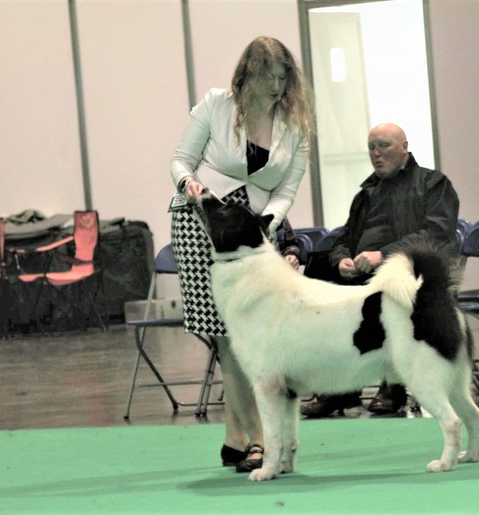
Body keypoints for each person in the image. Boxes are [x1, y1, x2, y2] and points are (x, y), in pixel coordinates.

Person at [170, 36, 313, 471]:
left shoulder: (295, 125)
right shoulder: (215, 105)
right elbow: (180, 160)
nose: (276, 86)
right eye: (268, 76)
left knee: (251, 337)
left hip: (257, 230)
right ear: (248, 73)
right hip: (201, 224)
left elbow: (286, 189)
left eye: (283, 77)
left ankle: (235, 438)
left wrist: (268, 223)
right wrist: (188, 184)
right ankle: (257, 440)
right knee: (230, 338)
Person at [300, 123, 460, 418]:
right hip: (363, 275)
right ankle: (337, 389)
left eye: (384, 145)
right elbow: (344, 238)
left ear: (405, 148)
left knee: (388, 288)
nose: (376, 153)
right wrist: (342, 260)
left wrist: (383, 256)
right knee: (319, 285)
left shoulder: (433, 183)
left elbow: (436, 234)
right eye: (372, 147)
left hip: (411, 272)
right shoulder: (365, 194)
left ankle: (393, 385)